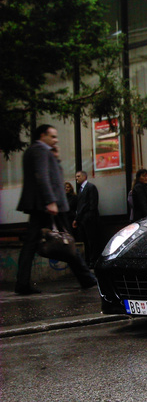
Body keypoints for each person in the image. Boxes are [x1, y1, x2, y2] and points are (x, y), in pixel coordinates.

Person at [15, 124, 97, 295]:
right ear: (42, 135)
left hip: (41, 205)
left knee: (40, 243)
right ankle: (86, 278)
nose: (56, 139)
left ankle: (22, 283)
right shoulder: (41, 150)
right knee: (65, 240)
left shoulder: (35, 151)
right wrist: (51, 201)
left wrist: (56, 158)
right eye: (52, 136)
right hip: (48, 205)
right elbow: (42, 176)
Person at [73, 170, 102, 268]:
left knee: (91, 240)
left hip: (89, 219)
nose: (76, 178)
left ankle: (93, 261)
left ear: (84, 177)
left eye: (78, 176)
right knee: (86, 240)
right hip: (83, 219)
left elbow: (92, 204)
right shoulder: (81, 189)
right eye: (76, 176)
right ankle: (89, 260)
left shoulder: (90, 187)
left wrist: (87, 216)